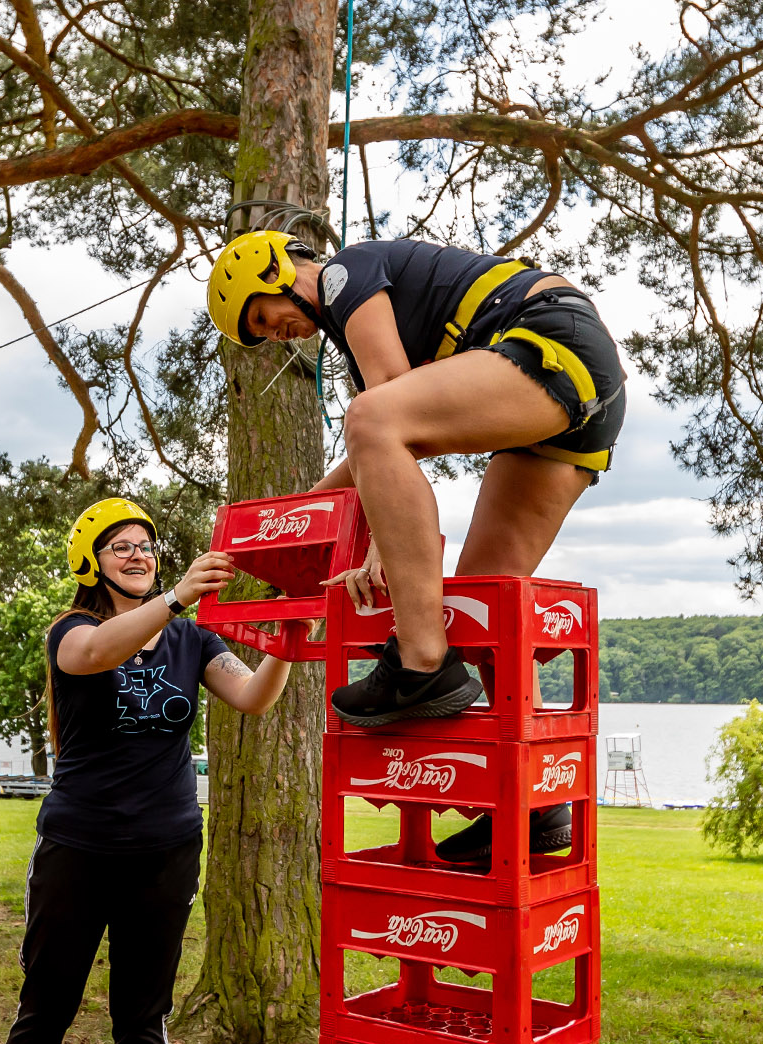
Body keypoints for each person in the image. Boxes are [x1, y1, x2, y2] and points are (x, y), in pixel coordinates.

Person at [206, 230, 627, 859]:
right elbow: (375, 451)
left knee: (372, 417)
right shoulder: (361, 320)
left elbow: (385, 404)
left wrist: (377, 547)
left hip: (549, 340)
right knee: (486, 600)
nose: (276, 335)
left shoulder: (344, 274)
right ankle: (539, 812)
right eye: (263, 334)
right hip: (585, 390)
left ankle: (421, 661)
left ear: (274, 271)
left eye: (264, 318)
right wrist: (281, 529)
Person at [0, 498, 292, 1044]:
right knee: (45, 1005)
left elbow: (250, 698)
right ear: (92, 561)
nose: (138, 555)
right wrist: (179, 596)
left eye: (146, 545)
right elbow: (95, 655)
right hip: (78, 850)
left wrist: (288, 642)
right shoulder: (74, 629)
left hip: (165, 851)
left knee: (140, 1016)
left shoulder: (193, 640)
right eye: (120, 546)